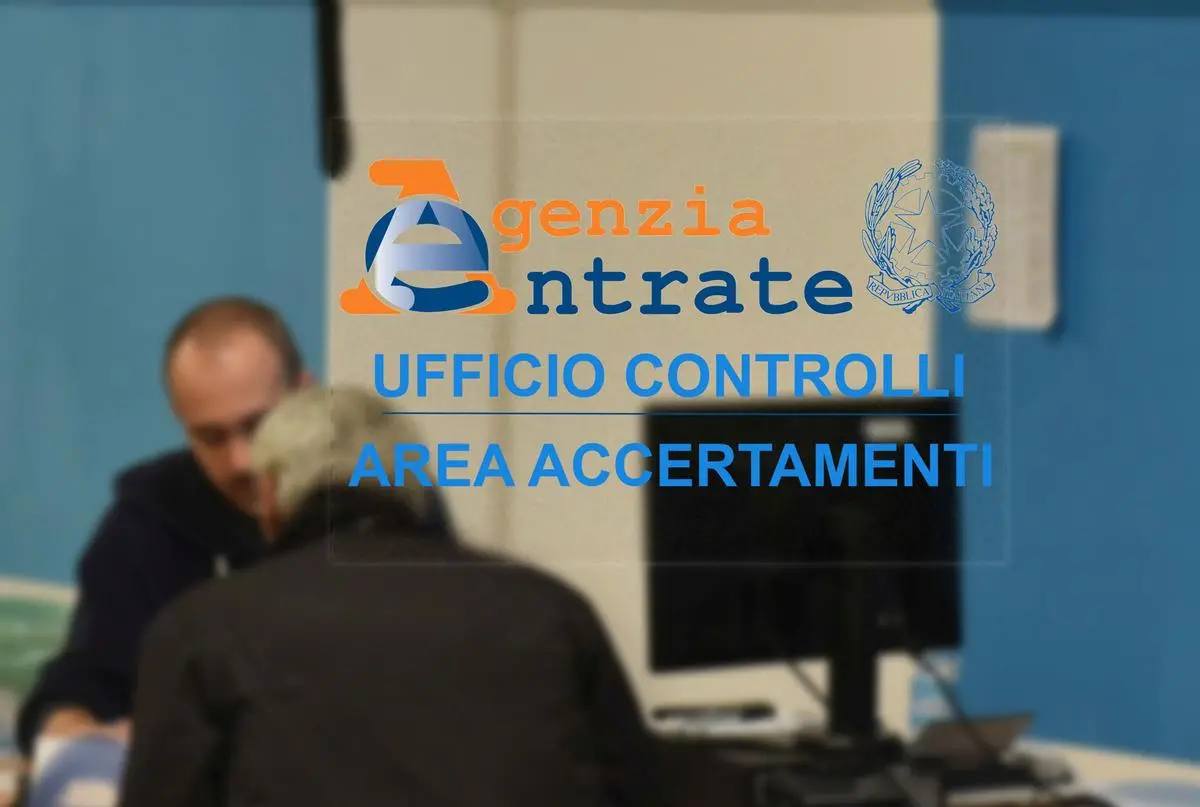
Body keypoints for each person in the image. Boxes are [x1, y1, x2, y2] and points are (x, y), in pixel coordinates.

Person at [120, 385, 663, 807]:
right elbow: (641, 791)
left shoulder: (200, 632)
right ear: (416, 488)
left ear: (270, 502)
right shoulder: (552, 611)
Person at [15, 298, 452, 756]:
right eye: (211, 437)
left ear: (305, 396)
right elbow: (87, 679)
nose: (241, 461)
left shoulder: (386, 505)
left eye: (258, 425)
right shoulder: (146, 523)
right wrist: (74, 731)